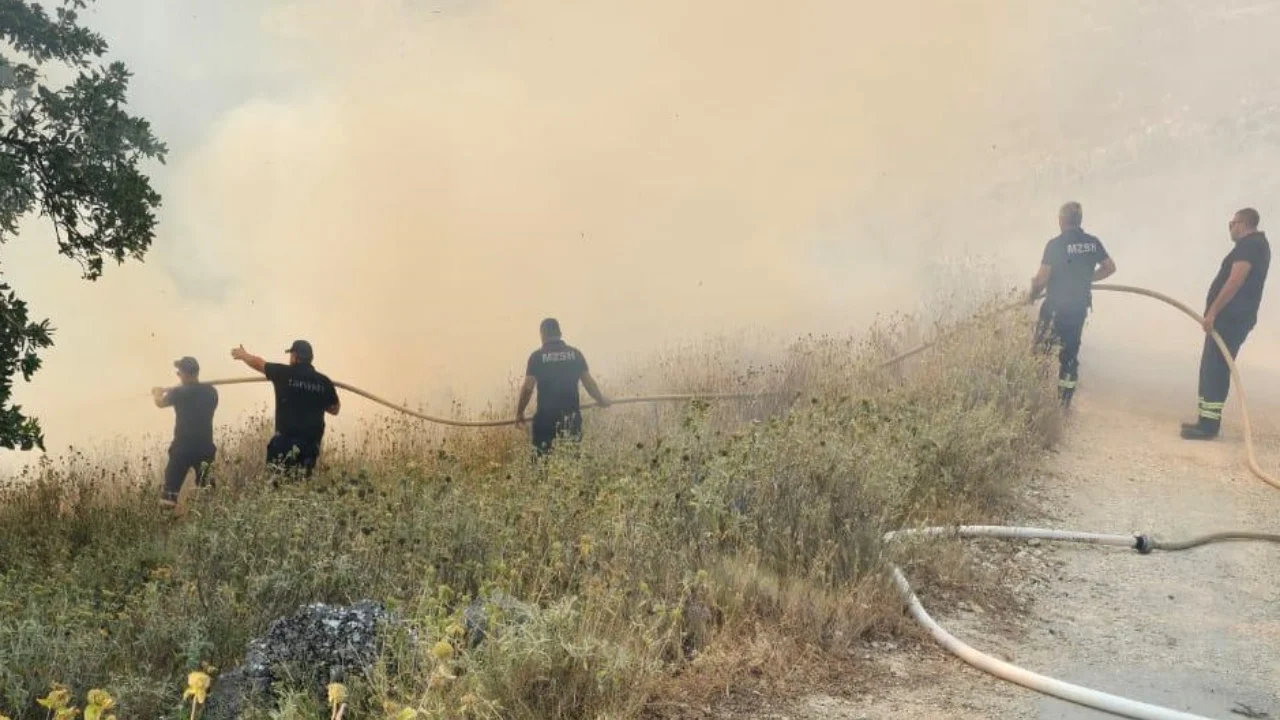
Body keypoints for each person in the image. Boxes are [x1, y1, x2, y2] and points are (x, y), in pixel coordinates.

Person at [1181, 208, 1271, 440]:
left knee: (1215, 369)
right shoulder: (1256, 245)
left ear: (1241, 223)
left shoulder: (1249, 246)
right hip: (1233, 317)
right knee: (1213, 368)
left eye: (1232, 223)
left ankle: (1208, 427)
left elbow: (1235, 281)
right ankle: (1206, 421)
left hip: (1231, 318)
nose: (1230, 228)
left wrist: (1212, 312)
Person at [1029, 201, 1117, 409]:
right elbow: (1110, 268)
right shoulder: (1092, 243)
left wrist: (1032, 293)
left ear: (1061, 221)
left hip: (1055, 308)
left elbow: (1041, 279)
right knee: (1069, 355)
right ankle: (1064, 403)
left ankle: (1037, 398)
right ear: (1079, 221)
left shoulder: (1055, 245)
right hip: (1078, 309)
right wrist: (1086, 279)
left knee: (1040, 351)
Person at [230, 340, 340, 475]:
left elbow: (259, 363)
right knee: (299, 489)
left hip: (283, 446)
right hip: (309, 448)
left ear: (294, 356)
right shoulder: (324, 382)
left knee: (276, 488)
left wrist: (244, 355)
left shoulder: (283, 374)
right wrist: (315, 398)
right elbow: (335, 409)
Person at [515, 318, 611, 455]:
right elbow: (589, 383)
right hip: (571, 417)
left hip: (545, 419)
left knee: (542, 463)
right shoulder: (576, 355)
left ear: (542, 335)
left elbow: (527, 388)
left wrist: (519, 413)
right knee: (572, 461)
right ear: (559, 333)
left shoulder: (537, 357)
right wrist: (601, 399)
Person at [151, 356, 219, 507]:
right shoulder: (211, 392)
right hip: (205, 448)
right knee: (207, 489)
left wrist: (157, 392)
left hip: (182, 449)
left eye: (179, 372)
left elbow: (160, 403)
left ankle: (165, 522)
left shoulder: (178, 393)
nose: (178, 375)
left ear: (184, 374)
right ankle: (210, 520)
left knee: (170, 491)